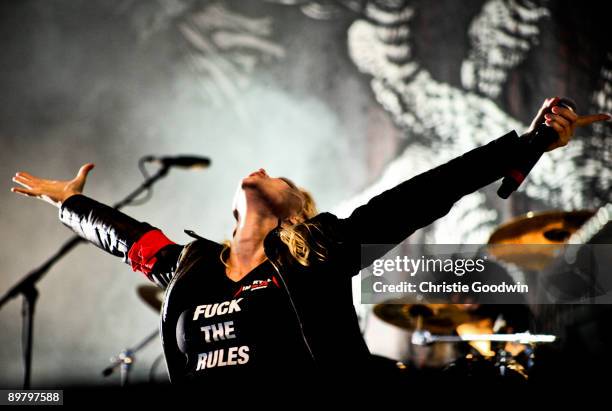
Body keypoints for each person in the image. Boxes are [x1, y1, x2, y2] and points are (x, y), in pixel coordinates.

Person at [10, 98, 609, 388]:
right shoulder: (191, 268)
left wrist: (526, 144)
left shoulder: (321, 249)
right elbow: (130, 239)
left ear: (296, 210)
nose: (264, 168)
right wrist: (69, 203)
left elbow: (428, 191)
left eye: (282, 180)